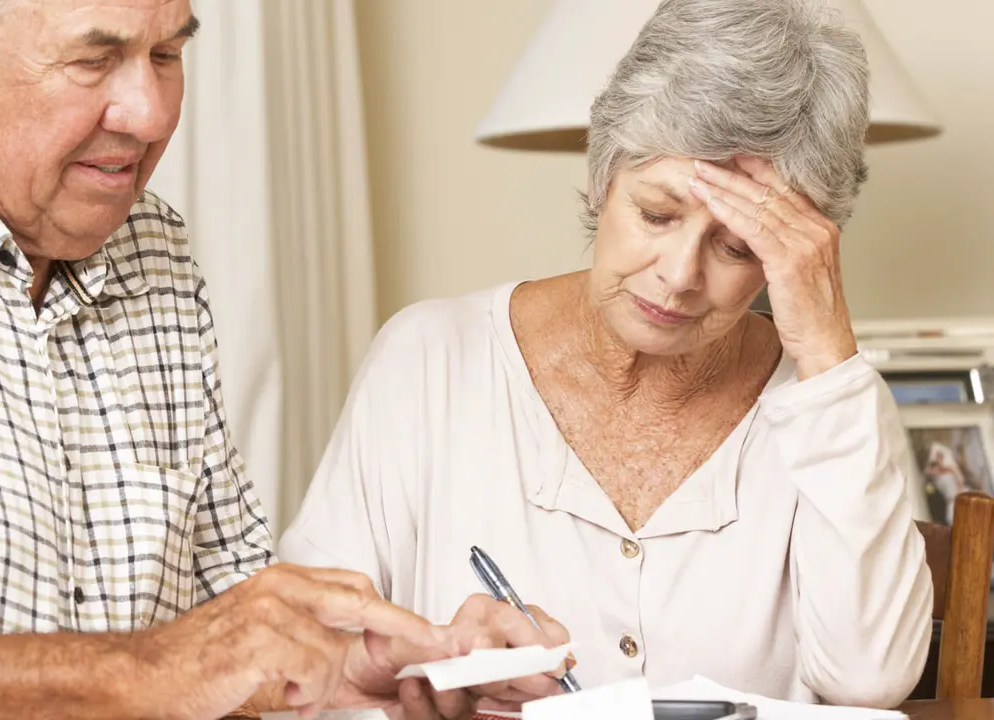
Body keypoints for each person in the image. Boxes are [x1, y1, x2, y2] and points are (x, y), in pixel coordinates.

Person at [0, 1, 568, 717]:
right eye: (97, 61)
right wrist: (145, 669)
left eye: (167, 54)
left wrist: (365, 666)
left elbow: (221, 632)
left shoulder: (150, 245)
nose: (153, 113)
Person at [279, 0, 933, 709]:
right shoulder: (429, 360)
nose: (681, 274)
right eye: (656, 214)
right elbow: (305, 661)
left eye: (739, 246)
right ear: (603, 176)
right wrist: (426, 667)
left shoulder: (828, 401)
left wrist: (829, 355)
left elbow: (871, 684)